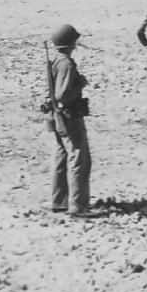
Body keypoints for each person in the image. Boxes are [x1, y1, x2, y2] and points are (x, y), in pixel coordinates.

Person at [45, 24, 92, 215]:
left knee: (61, 156)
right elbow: (62, 94)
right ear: (70, 43)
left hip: (57, 116)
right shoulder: (66, 63)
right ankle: (78, 206)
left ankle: (59, 201)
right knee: (79, 158)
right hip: (68, 116)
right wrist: (80, 84)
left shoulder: (55, 60)